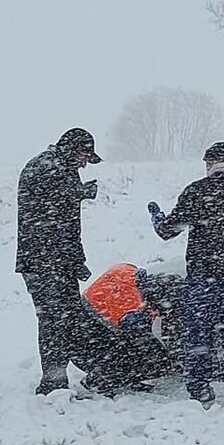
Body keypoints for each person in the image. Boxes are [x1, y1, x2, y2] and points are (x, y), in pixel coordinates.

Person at [149, 142, 224, 407]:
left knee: (198, 334)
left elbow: (168, 230)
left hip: (204, 277)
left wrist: (157, 218)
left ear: (208, 165)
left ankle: (200, 388)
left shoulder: (197, 191)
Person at [15, 127, 103, 395]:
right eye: (83, 156)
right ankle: (53, 382)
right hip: (43, 261)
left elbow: (65, 221)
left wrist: (75, 259)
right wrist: (80, 192)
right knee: (54, 320)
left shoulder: (60, 167)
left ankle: (98, 370)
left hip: (56, 259)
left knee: (70, 317)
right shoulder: (46, 167)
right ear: (70, 149)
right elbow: (51, 213)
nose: (85, 163)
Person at [82, 263, 178, 388]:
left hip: (81, 314)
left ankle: (108, 375)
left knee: (126, 347)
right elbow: (145, 343)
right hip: (93, 330)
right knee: (153, 360)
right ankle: (101, 380)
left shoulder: (129, 272)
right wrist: (169, 361)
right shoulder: (134, 313)